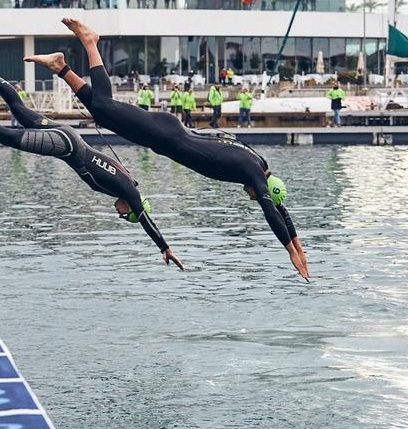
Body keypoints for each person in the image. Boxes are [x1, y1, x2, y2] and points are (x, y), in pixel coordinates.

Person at [26, 18, 309, 279]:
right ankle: (90, 42)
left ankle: (60, 68)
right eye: (257, 196)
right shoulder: (253, 172)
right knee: (104, 105)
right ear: (266, 189)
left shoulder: (256, 164)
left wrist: (300, 249)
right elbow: (272, 212)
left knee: (103, 115)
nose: (251, 196)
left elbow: (280, 208)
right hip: (165, 133)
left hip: (164, 136)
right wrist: (290, 252)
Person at [0, 57, 184, 270]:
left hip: (69, 138)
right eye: (123, 214)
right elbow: (145, 219)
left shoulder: (123, 185)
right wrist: (165, 247)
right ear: (129, 206)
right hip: (66, 145)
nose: (118, 213)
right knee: (12, 137)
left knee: (20, 112)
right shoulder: (128, 191)